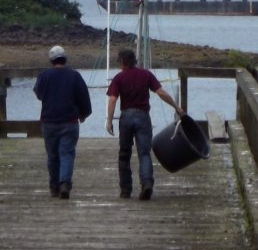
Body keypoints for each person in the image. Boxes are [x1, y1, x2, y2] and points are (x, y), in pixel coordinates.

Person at [105, 48, 183, 200]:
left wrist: (109, 121)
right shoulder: (146, 74)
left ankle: (125, 190)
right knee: (144, 153)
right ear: (134, 60)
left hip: (126, 116)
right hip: (143, 116)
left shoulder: (119, 78)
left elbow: (113, 99)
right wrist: (177, 107)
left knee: (124, 154)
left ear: (122, 61)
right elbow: (161, 93)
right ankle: (147, 183)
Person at [33, 45, 92, 199]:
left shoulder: (43, 76)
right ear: (64, 58)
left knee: (52, 156)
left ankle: (54, 187)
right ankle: (64, 183)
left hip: (49, 121)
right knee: (66, 153)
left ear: (51, 60)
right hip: (70, 121)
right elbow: (83, 97)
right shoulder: (74, 76)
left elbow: (38, 94)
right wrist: (84, 114)